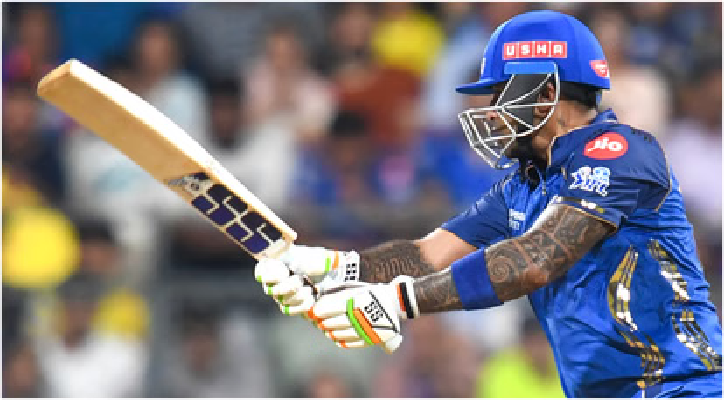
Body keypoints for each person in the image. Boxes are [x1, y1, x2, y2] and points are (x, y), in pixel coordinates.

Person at [254, 10, 722, 398]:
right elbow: (425, 254)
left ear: (547, 93)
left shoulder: (623, 152)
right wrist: (333, 268)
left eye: (502, 95)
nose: (492, 112)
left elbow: (536, 260)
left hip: (683, 387)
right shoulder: (522, 185)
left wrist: (398, 302)